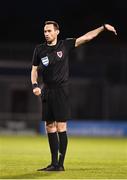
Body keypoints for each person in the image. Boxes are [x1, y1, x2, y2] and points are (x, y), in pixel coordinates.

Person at [31, 21, 117, 171]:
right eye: (45, 31)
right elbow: (34, 70)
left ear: (57, 32)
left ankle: (60, 164)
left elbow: (86, 37)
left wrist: (103, 28)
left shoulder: (65, 45)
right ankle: (53, 163)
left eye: (49, 31)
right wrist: (35, 86)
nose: (46, 33)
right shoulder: (39, 49)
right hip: (46, 90)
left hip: (61, 90)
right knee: (49, 126)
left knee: (61, 126)